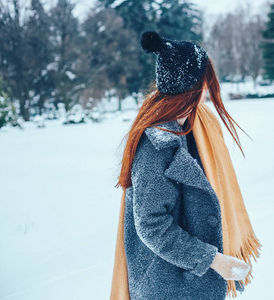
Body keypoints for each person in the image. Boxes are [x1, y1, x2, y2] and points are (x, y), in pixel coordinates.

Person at [109, 32, 260, 300]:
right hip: (167, 285)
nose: (207, 90)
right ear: (190, 89)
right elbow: (152, 225)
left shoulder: (195, 127)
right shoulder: (155, 145)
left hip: (189, 283)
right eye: (205, 82)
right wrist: (213, 260)